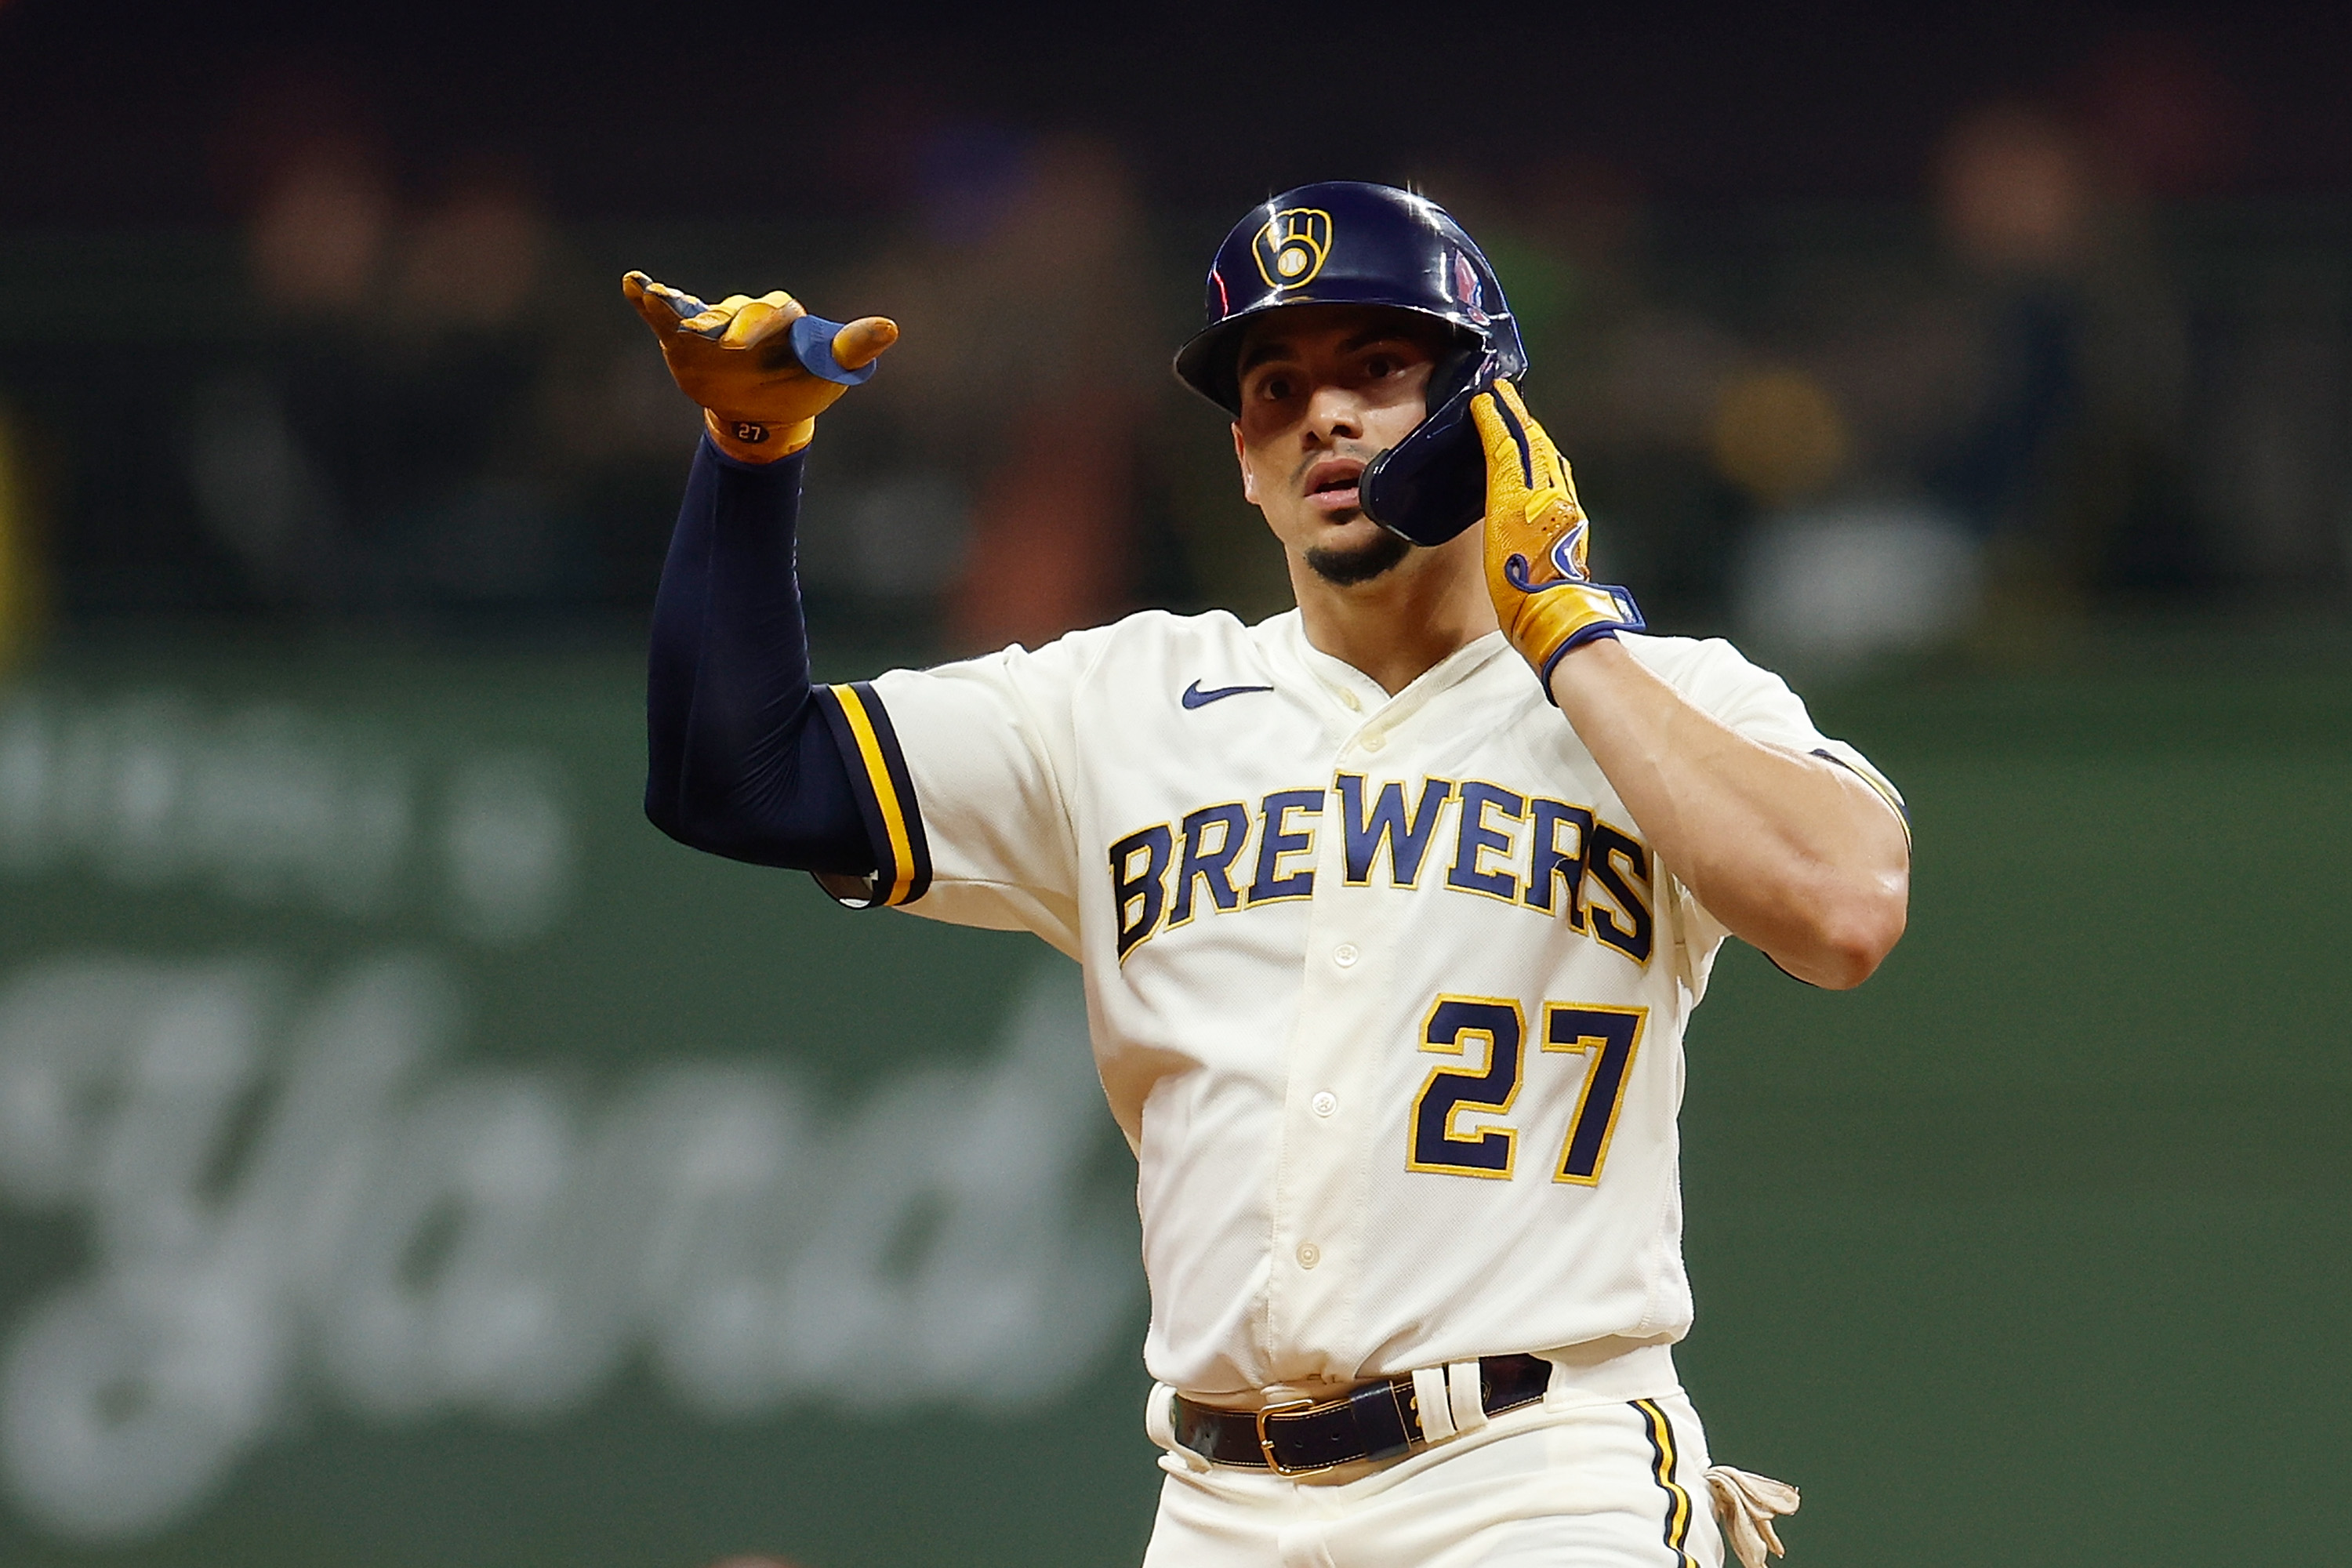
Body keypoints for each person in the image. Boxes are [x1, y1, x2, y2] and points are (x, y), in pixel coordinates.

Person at [628, 181, 1908, 1568]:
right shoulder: (1121, 704)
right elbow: (736, 777)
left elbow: (1846, 911)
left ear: (1493, 415)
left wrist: (1572, 637)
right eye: (1280, 388)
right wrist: (749, 454)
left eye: (1379, 369)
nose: (1327, 419)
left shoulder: (1661, 699)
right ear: (1244, 455)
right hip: (1220, 1504)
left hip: (1539, 1478)